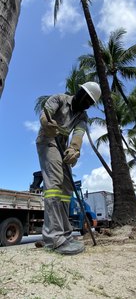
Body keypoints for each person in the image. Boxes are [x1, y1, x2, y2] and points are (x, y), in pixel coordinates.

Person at [36, 82, 101, 255]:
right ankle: (54, 238)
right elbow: (46, 113)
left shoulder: (82, 116)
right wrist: (46, 122)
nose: (86, 104)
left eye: (90, 103)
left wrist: (74, 150)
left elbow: (78, 134)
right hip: (48, 139)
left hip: (63, 145)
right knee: (55, 183)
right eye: (85, 98)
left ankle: (65, 233)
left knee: (67, 189)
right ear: (79, 92)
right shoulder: (59, 99)